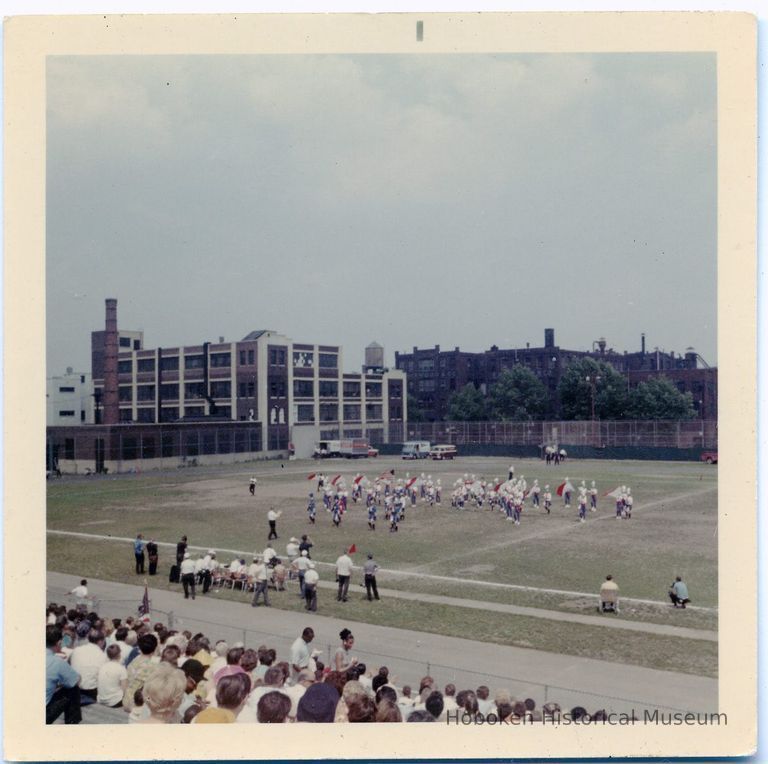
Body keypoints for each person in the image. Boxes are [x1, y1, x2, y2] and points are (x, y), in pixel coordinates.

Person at [46, 625, 81, 724]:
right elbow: (76, 680)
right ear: (59, 643)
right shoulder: (57, 662)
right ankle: (72, 723)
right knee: (73, 689)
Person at [69, 627, 107, 700]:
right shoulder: (103, 656)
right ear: (100, 642)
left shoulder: (77, 650)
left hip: (75, 687)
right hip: (91, 691)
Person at [97, 643, 128, 708]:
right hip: (114, 701)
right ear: (119, 654)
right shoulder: (121, 668)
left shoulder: (102, 666)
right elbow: (124, 690)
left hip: (101, 699)